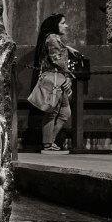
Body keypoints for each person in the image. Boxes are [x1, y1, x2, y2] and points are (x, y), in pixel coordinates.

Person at [33, 13, 80, 154]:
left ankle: (49, 142)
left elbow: (56, 52)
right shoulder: (53, 38)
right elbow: (56, 59)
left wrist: (68, 48)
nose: (66, 25)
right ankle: (48, 144)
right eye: (63, 23)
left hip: (56, 77)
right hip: (54, 78)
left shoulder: (52, 38)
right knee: (52, 113)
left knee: (64, 112)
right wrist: (68, 76)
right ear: (55, 25)